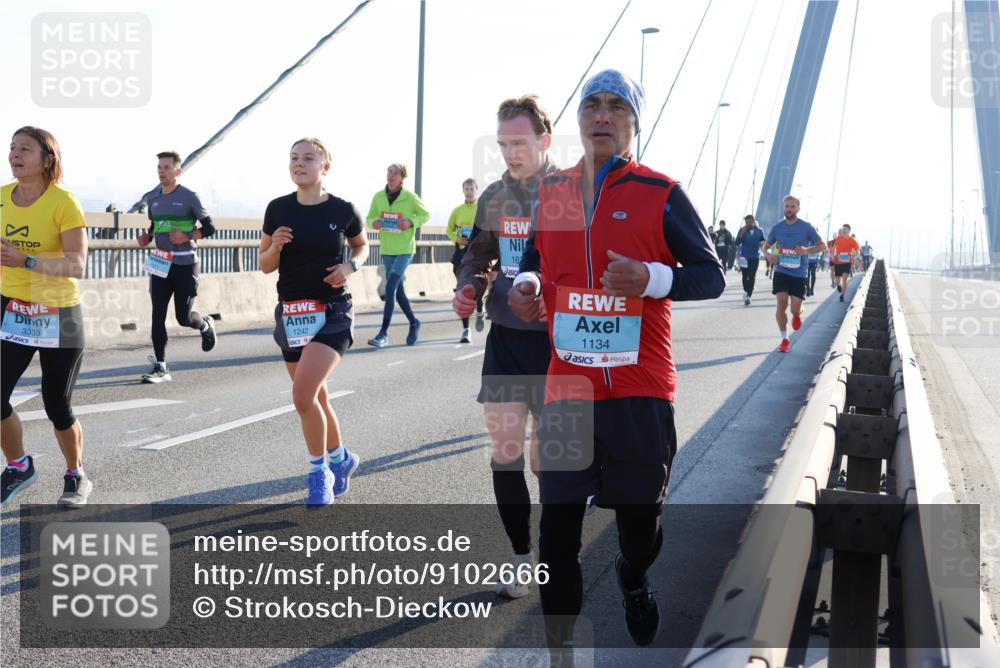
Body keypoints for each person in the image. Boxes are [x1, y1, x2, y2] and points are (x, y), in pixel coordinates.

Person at [508, 70, 725, 654]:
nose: (602, 116)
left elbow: (711, 276)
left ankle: (633, 576)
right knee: (555, 534)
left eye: (616, 107)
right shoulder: (550, 192)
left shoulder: (661, 192)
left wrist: (652, 278)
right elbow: (533, 258)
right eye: (592, 106)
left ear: (634, 121)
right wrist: (526, 284)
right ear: (579, 120)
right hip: (567, 392)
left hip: (640, 389)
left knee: (638, 528)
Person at [453, 95, 559, 600]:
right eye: (503, 144)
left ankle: (561, 545)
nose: (511, 153)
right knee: (507, 452)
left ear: (545, 140)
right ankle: (521, 560)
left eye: (519, 142)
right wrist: (468, 286)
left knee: (550, 464)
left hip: (559, 347)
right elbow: (476, 254)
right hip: (506, 342)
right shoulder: (494, 196)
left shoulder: (573, 193)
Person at [259, 138, 368, 506]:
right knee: (316, 396)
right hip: (292, 313)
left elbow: (362, 245)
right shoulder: (277, 209)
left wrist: (349, 266)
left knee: (303, 395)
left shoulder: (343, 209)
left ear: (326, 166)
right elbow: (265, 264)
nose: (299, 163)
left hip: (333, 312)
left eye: (308, 157)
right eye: (293, 157)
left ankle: (318, 472)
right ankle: (342, 459)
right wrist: (274, 246)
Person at [1, 127, 91, 507]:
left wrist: (27, 260)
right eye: (11, 148)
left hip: (58, 314)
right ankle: (19, 466)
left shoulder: (63, 202)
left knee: (57, 404)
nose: (14, 154)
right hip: (12, 309)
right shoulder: (2, 198)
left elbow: (78, 263)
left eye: (25, 149)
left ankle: (76, 474)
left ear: (46, 158)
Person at [136, 151, 218, 383]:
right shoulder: (153, 198)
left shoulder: (190, 197)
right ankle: (161, 367)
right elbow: (154, 226)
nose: (162, 171)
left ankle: (204, 323)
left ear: (177, 171)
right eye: (159, 167)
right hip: (160, 263)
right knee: (157, 314)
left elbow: (210, 228)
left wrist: (188, 236)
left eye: (166, 167)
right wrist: (147, 238)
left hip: (185, 264)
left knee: (183, 318)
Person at [365, 164, 431, 348]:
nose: (391, 175)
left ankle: (383, 333)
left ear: (402, 178)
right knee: (398, 290)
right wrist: (374, 223)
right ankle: (414, 322)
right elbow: (368, 218)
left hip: (405, 249)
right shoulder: (378, 197)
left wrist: (411, 222)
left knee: (391, 285)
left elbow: (426, 215)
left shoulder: (410, 197)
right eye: (389, 172)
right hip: (387, 249)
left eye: (395, 173)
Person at [762, 196, 825, 352]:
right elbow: (766, 246)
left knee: (794, 309)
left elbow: (822, 246)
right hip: (781, 270)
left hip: (799, 273)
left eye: (792, 206)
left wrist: (806, 251)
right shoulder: (777, 228)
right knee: (781, 304)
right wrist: (769, 255)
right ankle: (784, 339)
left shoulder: (807, 227)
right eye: (786, 206)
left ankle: (797, 315)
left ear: (798, 208)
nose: (788, 209)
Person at [446, 178, 482, 343]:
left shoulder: (481, 210)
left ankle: (480, 307)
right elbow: (449, 229)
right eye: (466, 189)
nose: (469, 191)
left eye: (471, 189)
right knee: (463, 290)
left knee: (477, 290)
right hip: (461, 255)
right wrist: (457, 238)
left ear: (476, 191)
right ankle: (466, 330)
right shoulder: (457, 210)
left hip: (477, 255)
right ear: (463, 191)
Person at [736, 215, 765, 305]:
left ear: (753, 221)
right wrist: (743, 233)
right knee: (745, 276)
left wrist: (762, 243)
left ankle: (749, 295)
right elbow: (737, 242)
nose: (747, 224)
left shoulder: (760, 230)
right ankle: (745, 291)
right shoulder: (742, 230)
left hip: (755, 257)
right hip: (744, 257)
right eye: (746, 222)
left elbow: (763, 240)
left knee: (752, 276)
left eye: (749, 222)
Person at [830, 225, 860, 302]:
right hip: (838, 262)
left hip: (847, 262)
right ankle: (838, 285)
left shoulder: (852, 240)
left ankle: (842, 295)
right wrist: (833, 255)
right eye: (843, 229)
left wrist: (856, 255)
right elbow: (833, 248)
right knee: (837, 280)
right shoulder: (838, 238)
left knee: (844, 278)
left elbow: (857, 250)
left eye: (845, 229)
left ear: (849, 231)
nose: (844, 230)